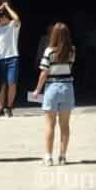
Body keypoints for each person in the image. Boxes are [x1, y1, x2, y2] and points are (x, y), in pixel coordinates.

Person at [34, 21, 76, 165]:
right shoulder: (72, 51)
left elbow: (44, 72)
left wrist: (37, 90)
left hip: (52, 87)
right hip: (67, 87)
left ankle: (48, 156)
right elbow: (69, 66)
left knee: (49, 125)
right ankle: (63, 156)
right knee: (65, 125)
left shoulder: (49, 51)